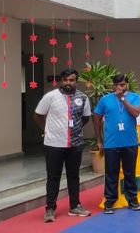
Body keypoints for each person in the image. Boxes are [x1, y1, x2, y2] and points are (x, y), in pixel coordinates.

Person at [34, 68, 93, 222]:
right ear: (61, 81)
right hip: (53, 144)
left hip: (75, 144)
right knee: (53, 177)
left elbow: (85, 118)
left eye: (71, 80)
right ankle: (50, 209)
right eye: (65, 80)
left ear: (76, 82)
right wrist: (47, 130)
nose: (68, 83)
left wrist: (75, 130)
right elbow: (38, 115)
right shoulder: (50, 97)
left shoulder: (83, 98)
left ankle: (75, 206)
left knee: (74, 176)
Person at [93, 73, 140, 214]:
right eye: (117, 85)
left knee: (130, 173)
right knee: (111, 173)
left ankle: (132, 200)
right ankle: (110, 201)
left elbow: (135, 113)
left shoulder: (135, 97)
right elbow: (96, 118)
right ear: (113, 86)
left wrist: (122, 99)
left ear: (127, 85)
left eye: (122, 85)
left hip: (130, 142)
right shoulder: (105, 99)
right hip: (111, 143)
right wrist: (99, 140)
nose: (120, 87)